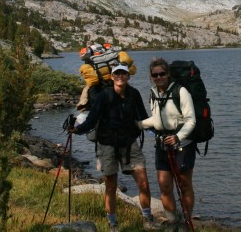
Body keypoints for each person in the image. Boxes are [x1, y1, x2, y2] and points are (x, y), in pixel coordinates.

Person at [71, 63, 159, 232]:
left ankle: (148, 219)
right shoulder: (104, 95)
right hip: (107, 145)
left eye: (123, 74)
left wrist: (158, 130)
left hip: (129, 144)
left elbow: (143, 117)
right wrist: (77, 130)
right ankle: (113, 224)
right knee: (111, 187)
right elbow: (92, 119)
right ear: (111, 77)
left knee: (144, 184)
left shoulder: (134, 94)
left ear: (128, 76)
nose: (120, 76)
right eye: (117, 74)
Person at [136, 58, 197, 231]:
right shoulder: (153, 92)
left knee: (185, 186)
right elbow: (156, 120)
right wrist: (136, 124)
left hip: (183, 145)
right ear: (151, 76)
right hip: (162, 145)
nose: (159, 77)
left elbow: (191, 120)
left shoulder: (181, 91)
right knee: (164, 185)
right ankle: (172, 221)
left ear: (168, 74)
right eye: (155, 75)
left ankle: (185, 222)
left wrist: (178, 137)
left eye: (162, 74)